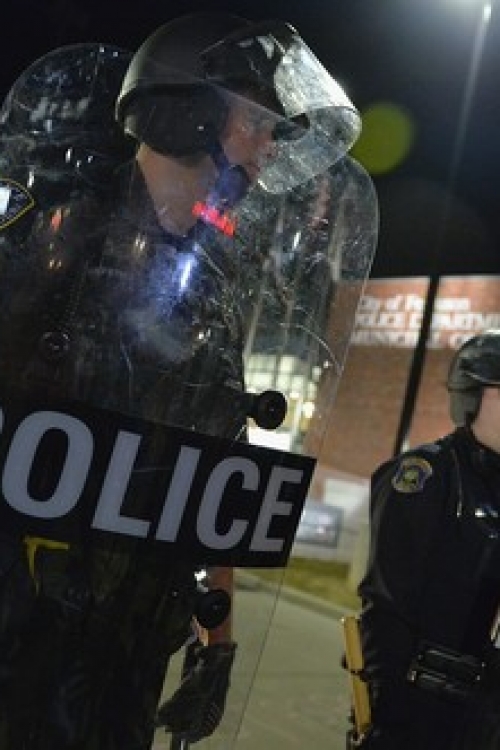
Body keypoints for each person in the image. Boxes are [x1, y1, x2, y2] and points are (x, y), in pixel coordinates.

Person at [0, 12, 376, 750]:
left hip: (133, 643)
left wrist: (217, 639)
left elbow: (212, 474)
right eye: (258, 125)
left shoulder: (211, 290)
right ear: (190, 114)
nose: (270, 151)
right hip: (21, 633)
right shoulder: (54, 241)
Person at [353, 329, 500, 750]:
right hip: (421, 711)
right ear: (471, 397)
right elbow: (386, 608)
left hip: (484, 717)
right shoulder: (427, 476)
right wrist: (389, 722)